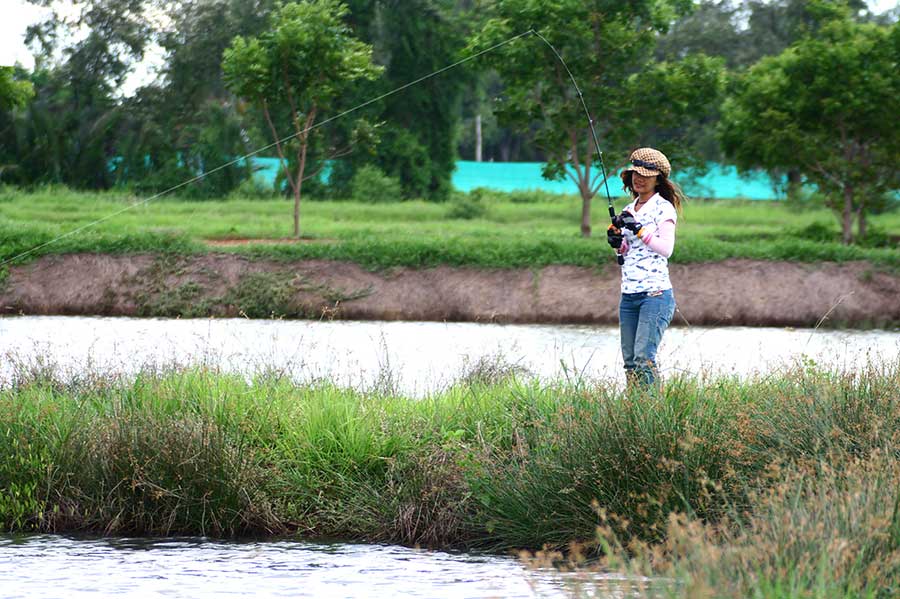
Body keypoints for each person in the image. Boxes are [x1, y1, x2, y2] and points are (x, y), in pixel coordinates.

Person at [606, 147, 683, 390]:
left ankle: (652, 412)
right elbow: (628, 252)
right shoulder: (629, 210)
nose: (638, 178)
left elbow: (665, 248)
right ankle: (634, 412)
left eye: (645, 174)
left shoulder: (664, 208)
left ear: (658, 178)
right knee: (630, 362)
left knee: (644, 357)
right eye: (635, 174)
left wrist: (639, 229)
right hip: (629, 295)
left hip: (655, 295)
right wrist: (617, 243)